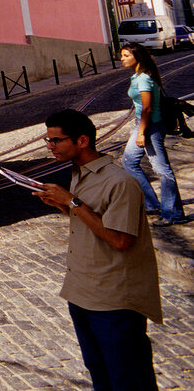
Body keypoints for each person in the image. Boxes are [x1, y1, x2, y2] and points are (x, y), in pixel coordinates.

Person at [35, 109, 161, 391]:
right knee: (99, 371)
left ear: (82, 141)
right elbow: (92, 222)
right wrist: (63, 206)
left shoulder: (120, 182)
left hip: (113, 300)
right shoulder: (80, 174)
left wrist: (72, 202)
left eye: (57, 140)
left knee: (127, 377)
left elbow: (120, 240)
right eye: (48, 140)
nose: (50, 147)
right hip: (81, 293)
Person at [119, 43, 188, 226]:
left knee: (162, 170)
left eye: (126, 55)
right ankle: (152, 204)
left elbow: (147, 109)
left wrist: (141, 133)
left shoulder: (143, 79)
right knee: (129, 161)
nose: (122, 59)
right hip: (143, 125)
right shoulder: (139, 76)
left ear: (137, 57)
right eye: (122, 55)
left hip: (150, 126)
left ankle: (173, 214)